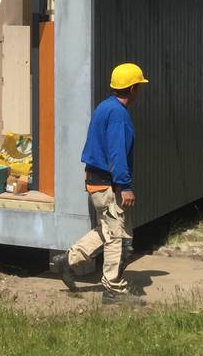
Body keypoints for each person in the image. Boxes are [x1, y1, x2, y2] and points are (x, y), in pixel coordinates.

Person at [54, 63, 147, 306]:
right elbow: (117, 152)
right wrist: (124, 186)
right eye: (139, 86)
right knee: (115, 236)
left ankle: (68, 260)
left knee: (107, 230)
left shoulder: (105, 107)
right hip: (107, 184)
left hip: (97, 180)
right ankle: (113, 290)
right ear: (133, 87)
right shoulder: (118, 114)